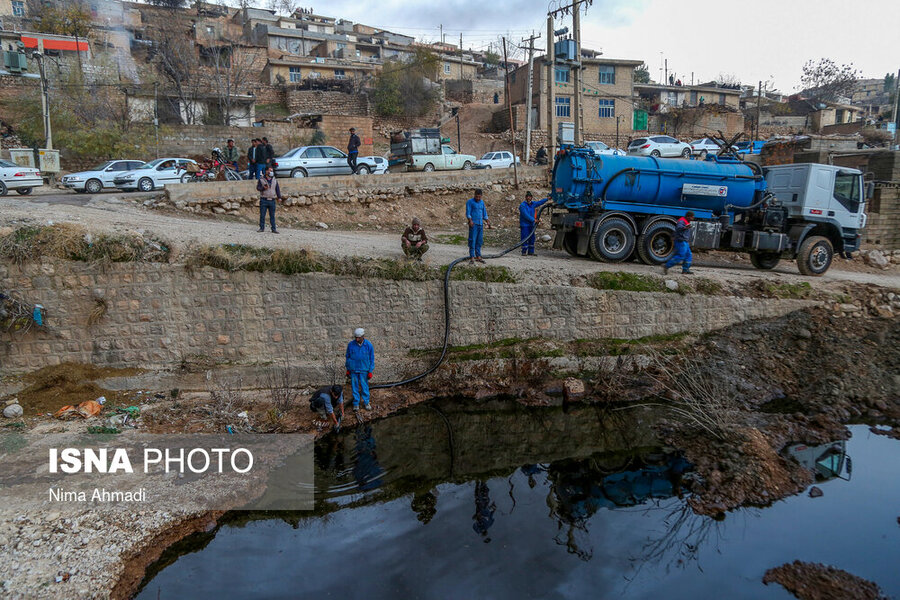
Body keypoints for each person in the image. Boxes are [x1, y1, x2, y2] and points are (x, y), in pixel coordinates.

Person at [345, 327, 374, 412]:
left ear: (363, 336)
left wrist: (370, 371)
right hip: (353, 369)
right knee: (355, 387)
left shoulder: (368, 345)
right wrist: (348, 369)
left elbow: (372, 358)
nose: (357, 339)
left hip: (364, 369)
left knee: (364, 387)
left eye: (359, 337)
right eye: (356, 337)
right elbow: (348, 357)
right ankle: (356, 403)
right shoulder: (351, 345)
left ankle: (366, 402)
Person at [518, 191, 549, 256]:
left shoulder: (533, 204)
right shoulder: (522, 205)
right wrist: (534, 220)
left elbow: (539, 202)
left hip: (531, 225)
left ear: (532, 197)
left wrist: (547, 199)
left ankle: (531, 251)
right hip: (525, 225)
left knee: (532, 238)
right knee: (525, 238)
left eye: (530, 197)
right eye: (527, 197)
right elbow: (525, 215)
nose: (528, 198)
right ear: (525, 197)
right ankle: (524, 252)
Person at [466, 189, 491, 264]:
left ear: (481, 196)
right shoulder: (470, 202)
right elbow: (468, 212)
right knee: (472, 240)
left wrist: (487, 220)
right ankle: (472, 256)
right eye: (476, 197)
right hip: (473, 224)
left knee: (479, 241)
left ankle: (478, 256)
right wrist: (470, 220)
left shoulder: (482, 202)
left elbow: (484, 213)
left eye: (479, 197)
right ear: (474, 195)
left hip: (480, 224)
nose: (478, 198)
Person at [256, 166, 282, 234]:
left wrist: (279, 197)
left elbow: (277, 189)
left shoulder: (274, 180)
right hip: (264, 199)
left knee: (272, 216)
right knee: (262, 215)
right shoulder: (261, 179)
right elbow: (258, 188)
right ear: (266, 171)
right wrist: (263, 188)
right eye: (270, 170)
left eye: (272, 171)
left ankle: (273, 229)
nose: (271, 172)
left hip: (272, 200)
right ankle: (262, 228)